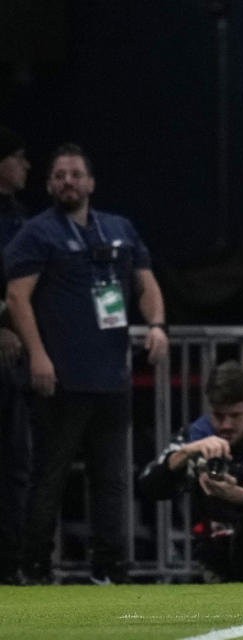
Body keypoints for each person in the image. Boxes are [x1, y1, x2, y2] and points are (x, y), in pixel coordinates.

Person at [4, 143, 169, 584]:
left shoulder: (117, 228)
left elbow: (145, 282)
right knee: (49, 477)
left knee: (112, 479)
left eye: (75, 174)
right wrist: (38, 356)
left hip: (111, 378)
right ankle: (34, 566)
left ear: (91, 182)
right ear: (49, 185)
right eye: (59, 175)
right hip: (59, 377)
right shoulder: (36, 233)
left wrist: (156, 325)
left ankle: (110, 567)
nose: (68, 182)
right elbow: (17, 297)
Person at [139, 361, 243, 581]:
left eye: (235, 416)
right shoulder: (196, 435)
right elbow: (148, 486)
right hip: (217, 550)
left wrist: (239, 495)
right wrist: (183, 456)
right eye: (218, 415)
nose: (226, 425)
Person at [0, 125, 31, 584]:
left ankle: (11, 565)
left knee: (16, 465)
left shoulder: (21, 217)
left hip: (16, 364)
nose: (26, 166)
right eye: (19, 157)